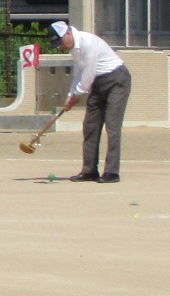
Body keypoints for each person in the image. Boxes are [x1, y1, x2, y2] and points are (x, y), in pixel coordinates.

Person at [52, 21, 129, 183]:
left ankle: (112, 172)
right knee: (90, 125)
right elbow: (78, 73)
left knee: (112, 126)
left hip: (117, 80)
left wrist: (75, 96)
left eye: (60, 42)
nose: (60, 46)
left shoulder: (88, 42)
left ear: (67, 33)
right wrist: (70, 95)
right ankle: (89, 170)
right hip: (98, 83)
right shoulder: (74, 49)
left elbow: (88, 75)